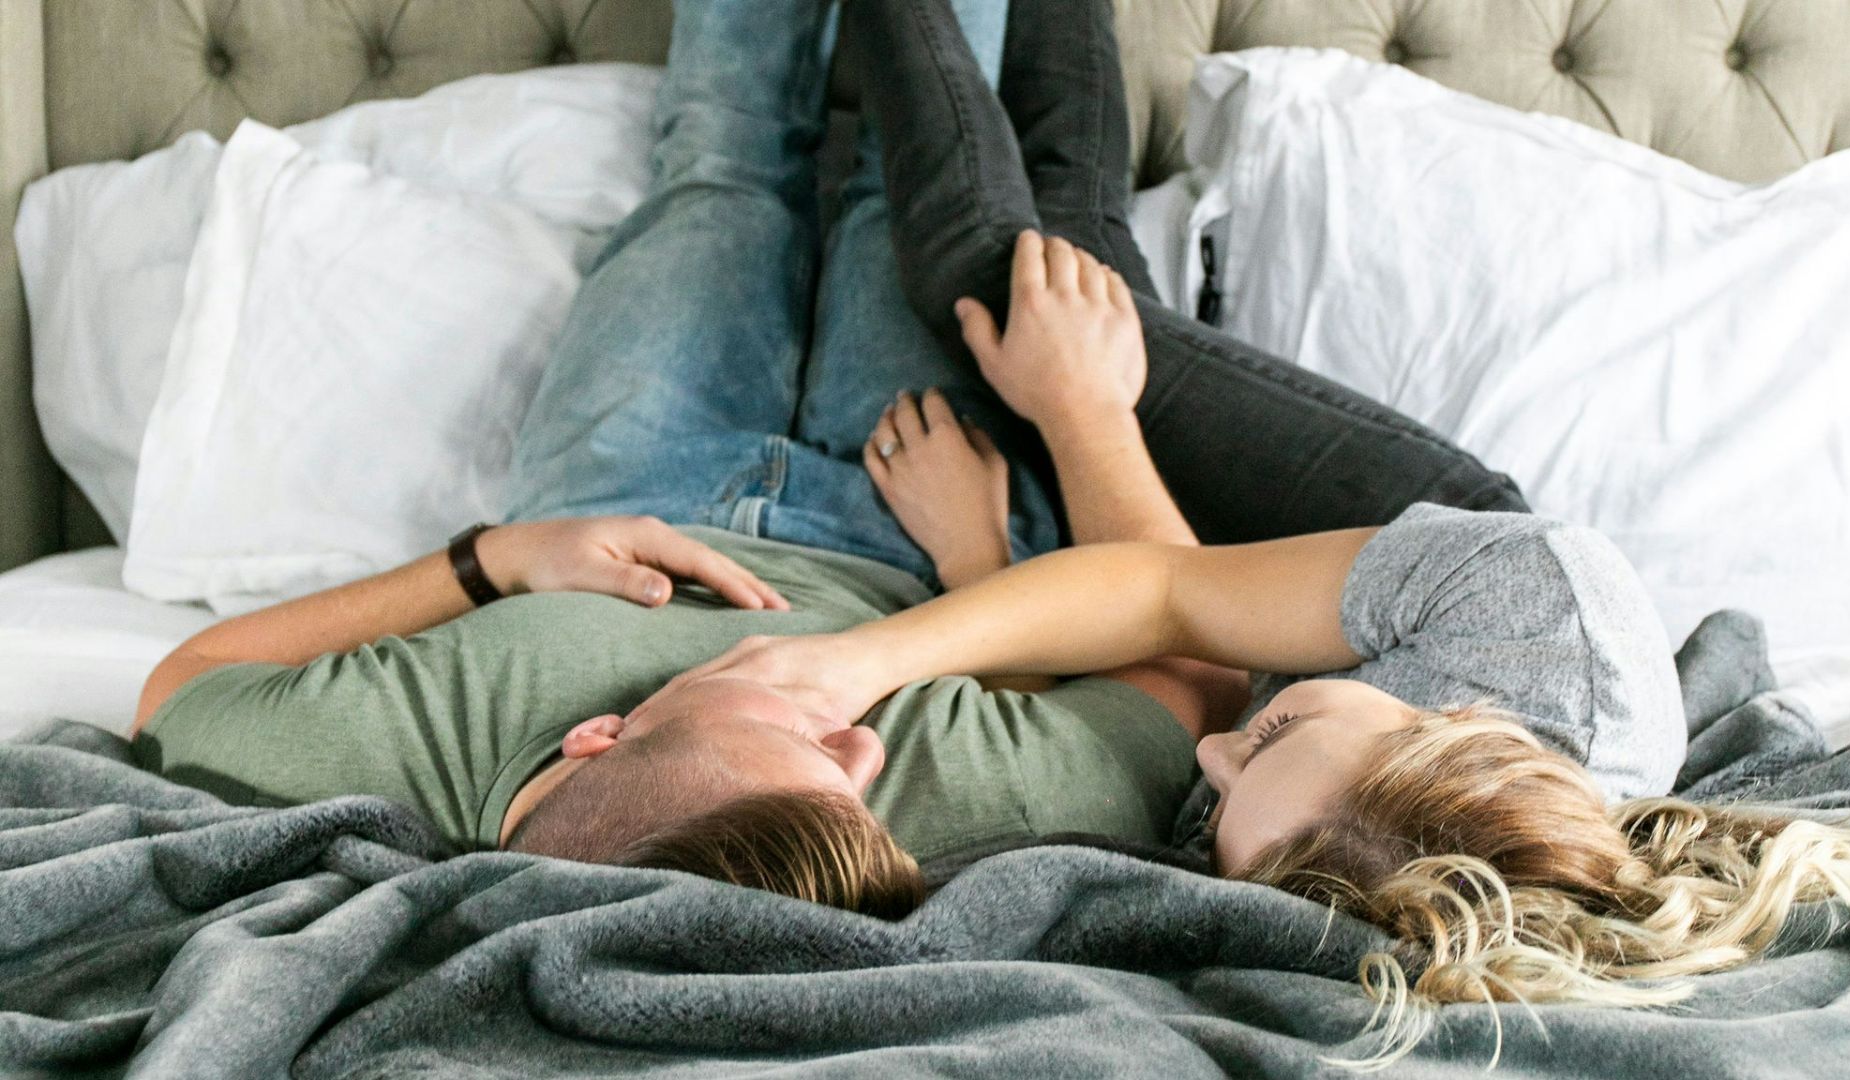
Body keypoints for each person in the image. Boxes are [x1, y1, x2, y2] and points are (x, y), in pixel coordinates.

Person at [635, 0, 1850, 1061]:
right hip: (1410, 548)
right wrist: (879, 639)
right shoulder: (1533, 605)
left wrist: (986, 562)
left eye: (1228, 794)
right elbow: (1172, 597)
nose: (1210, 758)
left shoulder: (1326, 872)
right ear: (1438, 712)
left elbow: (1205, 687)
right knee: (998, 274)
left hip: (1264, 640)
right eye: (1272, 732)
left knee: (1079, 254)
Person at [128, 0, 1516, 917]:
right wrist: (976, 561)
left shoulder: (407, 752)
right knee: (888, 203)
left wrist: (494, 563)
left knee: (723, 160)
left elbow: (184, 686)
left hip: (619, 482)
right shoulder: (877, 818)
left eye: (802, 737)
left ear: (602, 736)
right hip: (905, 511)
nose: (860, 741)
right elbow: (1194, 662)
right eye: (853, 766)